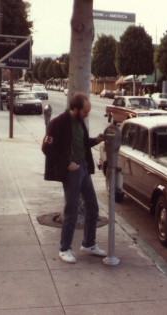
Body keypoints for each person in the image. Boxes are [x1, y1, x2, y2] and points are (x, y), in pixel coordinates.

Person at [41, 92, 106, 264]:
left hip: (83, 168)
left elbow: (82, 143)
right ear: (75, 109)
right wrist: (66, 163)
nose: (86, 115)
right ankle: (64, 249)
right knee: (72, 210)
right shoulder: (58, 123)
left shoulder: (79, 122)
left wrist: (96, 140)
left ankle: (89, 244)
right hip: (71, 171)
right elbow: (47, 149)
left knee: (92, 206)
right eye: (85, 112)